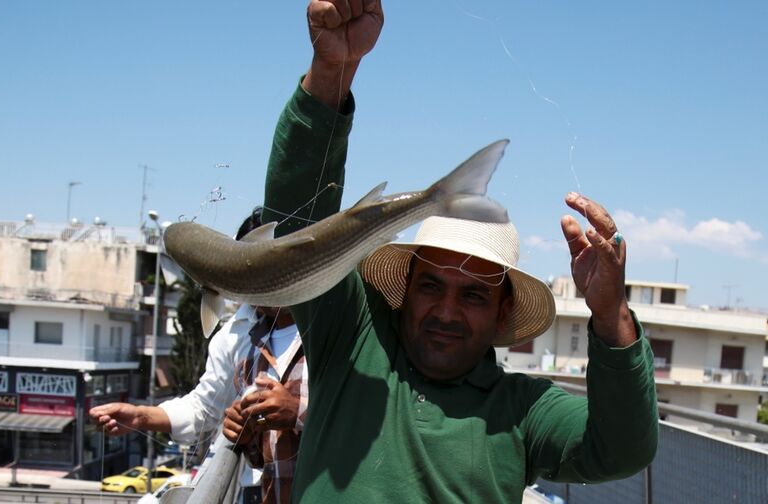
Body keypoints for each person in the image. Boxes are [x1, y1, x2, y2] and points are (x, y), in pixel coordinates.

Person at [247, 1, 658, 502]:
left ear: (504, 310)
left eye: (474, 296)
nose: (445, 311)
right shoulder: (352, 338)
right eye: (430, 285)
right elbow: (296, 233)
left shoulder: (524, 410)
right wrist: (333, 71)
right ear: (404, 289)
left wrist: (612, 315)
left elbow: (623, 449)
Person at [90, 207, 308, 504]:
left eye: (263, 266)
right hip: (260, 490)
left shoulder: (328, 330)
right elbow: (206, 407)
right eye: (244, 267)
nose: (252, 279)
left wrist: (296, 410)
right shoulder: (238, 334)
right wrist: (141, 416)